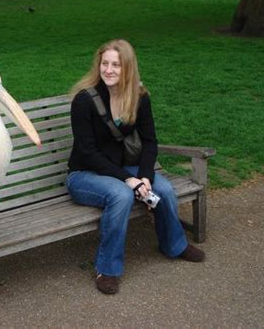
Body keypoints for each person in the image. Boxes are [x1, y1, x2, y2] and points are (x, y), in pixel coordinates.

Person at [66, 39, 205, 295]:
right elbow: (87, 153)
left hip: (123, 169)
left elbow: (150, 141)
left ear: (128, 68)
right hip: (85, 174)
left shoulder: (139, 97)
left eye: (116, 65)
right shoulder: (84, 101)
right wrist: (128, 180)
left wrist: (144, 176)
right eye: (104, 64)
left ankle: (174, 245)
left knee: (163, 188)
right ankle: (107, 269)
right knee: (121, 195)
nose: (108, 70)